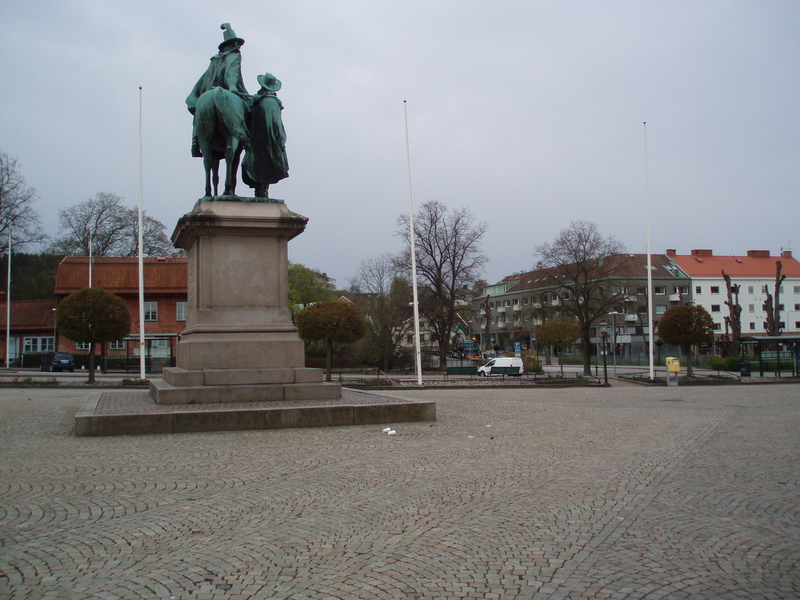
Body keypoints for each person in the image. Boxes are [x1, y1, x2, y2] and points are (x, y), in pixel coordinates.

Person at [186, 24, 250, 157]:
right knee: (250, 112)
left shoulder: (214, 61)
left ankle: (195, 141)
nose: (238, 47)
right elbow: (232, 73)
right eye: (235, 43)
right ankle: (248, 141)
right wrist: (232, 87)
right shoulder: (234, 55)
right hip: (230, 90)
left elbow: (203, 80)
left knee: (200, 106)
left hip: (209, 91)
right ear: (230, 45)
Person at [242, 73, 289, 198]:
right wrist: (281, 140)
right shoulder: (273, 102)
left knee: (257, 165)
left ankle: (260, 191)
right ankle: (262, 191)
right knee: (267, 164)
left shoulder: (256, 102)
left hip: (255, 141)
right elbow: (277, 124)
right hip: (269, 141)